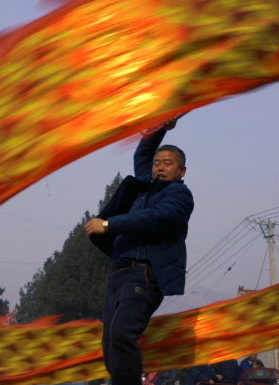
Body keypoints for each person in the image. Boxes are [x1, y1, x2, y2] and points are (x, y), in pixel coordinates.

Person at [87, 116, 194, 385]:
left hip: (144, 276)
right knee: (111, 343)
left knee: (122, 333)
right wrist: (161, 126)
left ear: (182, 171)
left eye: (168, 163)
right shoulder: (145, 188)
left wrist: (109, 225)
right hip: (118, 276)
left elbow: (155, 219)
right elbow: (144, 151)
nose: (160, 167)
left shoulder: (179, 196)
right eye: (157, 163)